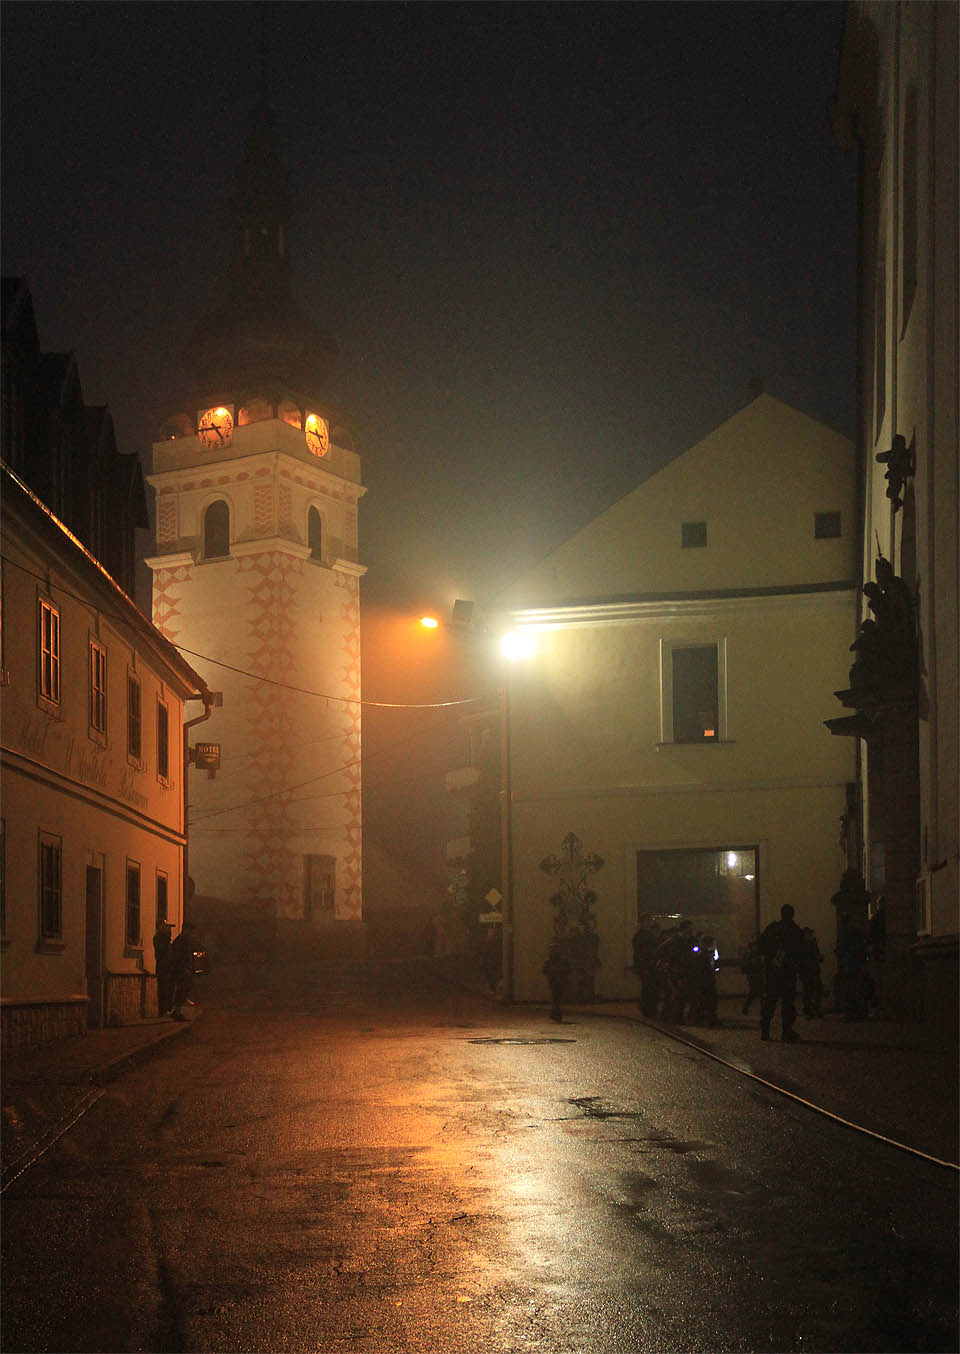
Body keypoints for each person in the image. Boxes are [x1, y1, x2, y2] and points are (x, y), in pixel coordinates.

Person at [758, 904, 803, 1042]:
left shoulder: (773, 928)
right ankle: (786, 1032)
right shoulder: (795, 930)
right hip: (788, 973)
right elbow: (800, 952)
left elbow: (761, 945)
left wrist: (769, 958)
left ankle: (765, 1031)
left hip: (773, 972)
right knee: (788, 1003)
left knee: (770, 1001)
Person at [631, 915, 661, 1017]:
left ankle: (648, 1009)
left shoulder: (640, 935)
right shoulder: (645, 936)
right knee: (649, 988)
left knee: (647, 988)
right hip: (648, 966)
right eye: (649, 921)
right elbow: (646, 952)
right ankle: (649, 1009)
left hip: (645, 966)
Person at [169, 921, 197, 1021]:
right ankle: (177, 1012)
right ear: (186, 930)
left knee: (183, 990)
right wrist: (183, 968)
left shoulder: (184, 941)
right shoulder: (180, 941)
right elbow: (178, 957)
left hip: (185, 969)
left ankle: (177, 1011)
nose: (191, 934)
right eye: (190, 931)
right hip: (182, 970)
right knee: (181, 990)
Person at [798, 927, 824, 1019]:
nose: (810, 935)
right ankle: (810, 1009)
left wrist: (819, 957)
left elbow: (816, 955)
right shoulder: (805, 944)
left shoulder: (811, 943)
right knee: (809, 990)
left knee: (814, 989)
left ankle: (813, 1008)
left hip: (812, 969)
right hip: (807, 970)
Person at [739, 935, 764, 1015]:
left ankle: (747, 1008)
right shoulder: (749, 954)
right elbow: (744, 964)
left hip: (758, 974)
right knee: (754, 992)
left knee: (759, 993)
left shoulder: (757, 954)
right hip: (752, 975)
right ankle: (745, 1008)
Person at [153, 919, 173, 1016]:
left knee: (168, 988)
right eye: (164, 926)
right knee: (163, 989)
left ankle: (167, 1009)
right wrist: (167, 936)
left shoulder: (164, 938)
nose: (166, 928)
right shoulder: (158, 938)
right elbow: (162, 950)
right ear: (159, 926)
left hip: (168, 966)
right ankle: (162, 1010)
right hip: (162, 966)